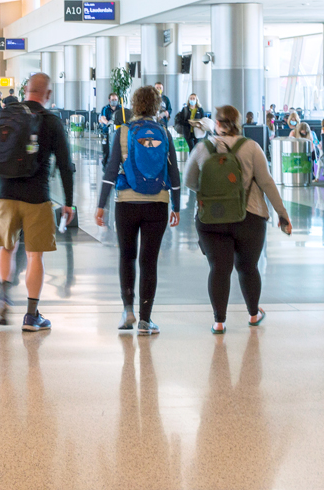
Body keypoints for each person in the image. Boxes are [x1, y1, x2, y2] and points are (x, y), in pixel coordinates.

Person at [183, 104, 292, 334]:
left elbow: (190, 182)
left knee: (219, 268)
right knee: (248, 267)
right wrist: (282, 214)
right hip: (250, 217)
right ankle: (253, 314)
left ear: (218, 124)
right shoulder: (251, 147)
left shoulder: (203, 148)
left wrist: (214, 193)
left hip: (211, 219)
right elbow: (267, 183)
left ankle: (219, 322)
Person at [0, 73, 74, 331]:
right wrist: (69, 203)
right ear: (48, 95)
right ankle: (31, 316)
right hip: (37, 197)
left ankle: (2, 296)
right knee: (34, 256)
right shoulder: (51, 122)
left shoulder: (6, 114)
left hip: (4, 193)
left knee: (5, 248)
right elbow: (65, 165)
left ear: (24, 90)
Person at [95, 85, 180, 334]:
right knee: (149, 261)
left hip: (126, 204)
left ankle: (127, 311)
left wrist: (101, 205)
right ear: (156, 106)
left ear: (134, 105)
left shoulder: (122, 132)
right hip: (158, 204)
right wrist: (175, 203)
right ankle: (146, 319)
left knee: (127, 256)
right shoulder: (164, 132)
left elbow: (110, 172)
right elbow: (174, 172)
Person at [98, 92, 125, 166]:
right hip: (106, 132)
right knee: (106, 150)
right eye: (113, 99)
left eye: (116, 99)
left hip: (117, 133)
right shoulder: (105, 108)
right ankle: (105, 165)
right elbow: (102, 118)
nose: (114, 101)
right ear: (109, 100)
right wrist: (109, 124)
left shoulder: (120, 108)